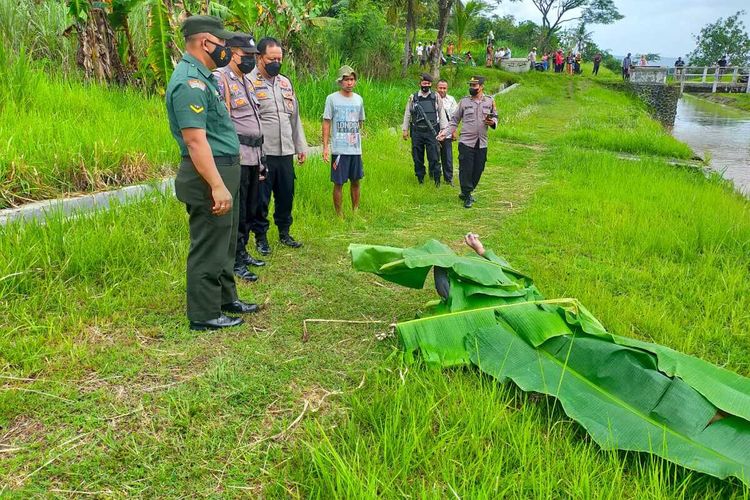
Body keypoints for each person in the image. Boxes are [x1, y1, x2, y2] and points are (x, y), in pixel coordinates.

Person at [166, 15, 259, 331]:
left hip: (223, 169)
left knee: (226, 239)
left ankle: (225, 298)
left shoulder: (205, 77)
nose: (226, 49)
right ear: (206, 42)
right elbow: (195, 141)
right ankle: (204, 313)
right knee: (209, 242)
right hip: (209, 174)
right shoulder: (189, 83)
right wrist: (217, 185)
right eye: (222, 43)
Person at [213, 33, 267, 284]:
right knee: (239, 210)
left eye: (252, 57)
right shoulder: (221, 79)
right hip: (237, 155)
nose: (250, 61)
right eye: (246, 56)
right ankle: (234, 259)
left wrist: (262, 158)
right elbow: (223, 122)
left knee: (250, 207)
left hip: (254, 155)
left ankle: (243, 252)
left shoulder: (246, 81)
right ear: (232, 53)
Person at [247, 37, 308, 255]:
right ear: (259, 58)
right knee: (261, 199)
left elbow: (295, 118)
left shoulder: (285, 83)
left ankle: (284, 232)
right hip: (263, 153)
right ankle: (261, 238)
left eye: (279, 59)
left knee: (286, 194)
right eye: (272, 58)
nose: (276, 62)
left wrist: (300, 146)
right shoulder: (249, 82)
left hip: (285, 152)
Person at [439, 75, 497, 208]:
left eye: (474, 86)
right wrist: (445, 133)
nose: (471, 88)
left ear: (481, 87)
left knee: (479, 169)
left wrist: (493, 122)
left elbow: (495, 116)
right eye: (470, 85)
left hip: (482, 142)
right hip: (466, 142)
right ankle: (467, 194)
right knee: (466, 169)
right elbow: (454, 121)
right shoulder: (464, 102)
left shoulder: (489, 101)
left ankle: (466, 192)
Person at [322, 66, 365, 217]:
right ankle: (339, 214)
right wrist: (326, 147)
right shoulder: (332, 99)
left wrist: (357, 141)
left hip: (355, 149)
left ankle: (355, 212)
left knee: (356, 181)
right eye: (346, 80)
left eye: (352, 79)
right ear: (340, 82)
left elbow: (360, 122)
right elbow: (326, 122)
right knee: (338, 183)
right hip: (339, 150)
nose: (349, 83)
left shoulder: (359, 99)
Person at [401, 73, 449, 186]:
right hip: (417, 132)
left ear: (431, 84)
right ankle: (420, 179)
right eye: (424, 83)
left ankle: (436, 179)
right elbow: (407, 113)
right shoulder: (413, 97)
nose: (425, 85)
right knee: (417, 157)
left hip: (432, 131)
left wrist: (443, 130)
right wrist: (405, 129)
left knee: (434, 157)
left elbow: (442, 114)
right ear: (420, 84)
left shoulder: (435, 96)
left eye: (428, 83)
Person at [436, 79, 458, 186]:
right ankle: (435, 177)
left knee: (447, 157)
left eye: (444, 88)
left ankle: (448, 179)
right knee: (434, 156)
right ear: (436, 88)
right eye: (440, 88)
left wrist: (454, 132)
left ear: (447, 89)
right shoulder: (431, 98)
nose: (442, 90)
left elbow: (455, 117)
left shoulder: (451, 100)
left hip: (447, 132)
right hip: (434, 132)